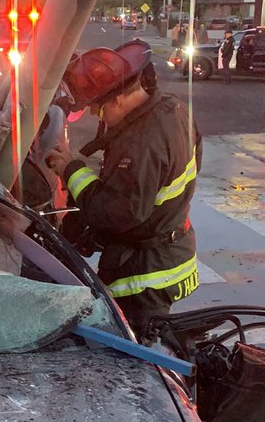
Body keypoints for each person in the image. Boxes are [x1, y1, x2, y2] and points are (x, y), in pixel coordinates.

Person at [46, 39, 201, 339]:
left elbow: (119, 213)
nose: (96, 117)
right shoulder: (175, 111)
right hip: (169, 249)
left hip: (145, 277)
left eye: (98, 110)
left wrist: (71, 169)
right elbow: (148, 191)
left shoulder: (142, 142)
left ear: (116, 100)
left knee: (136, 356)